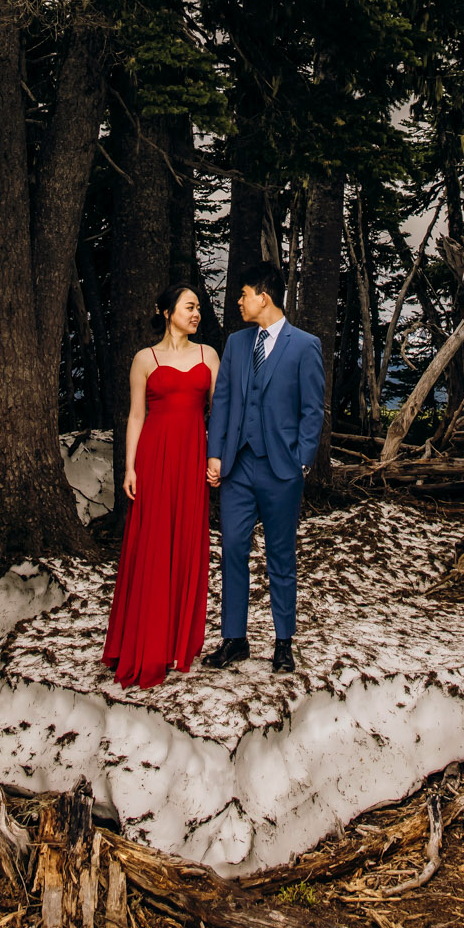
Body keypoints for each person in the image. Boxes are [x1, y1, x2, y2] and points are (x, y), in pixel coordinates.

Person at [204, 261, 325, 675]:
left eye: (243, 294)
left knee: (280, 556)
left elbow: (313, 410)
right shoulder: (236, 345)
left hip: (280, 471)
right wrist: (215, 453)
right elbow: (221, 401)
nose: (238, 301)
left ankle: (283, 643)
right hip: (237, 468)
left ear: (264, 297)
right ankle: (234, 640)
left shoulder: (305, 345)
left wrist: (301, 463)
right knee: (233, 549)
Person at [101, 284, 218, 689]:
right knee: (152, 546)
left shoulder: (209, 356)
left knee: (186, 543)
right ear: (168, 312)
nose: (196, 313)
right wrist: (130, 468)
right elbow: (135, 416)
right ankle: (144, 641)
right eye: (190, 307)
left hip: (191, 462)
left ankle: (177, 642)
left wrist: (215, 457)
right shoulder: (144, 359)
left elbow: (218, 413)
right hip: (154, 459)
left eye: (199, 308)